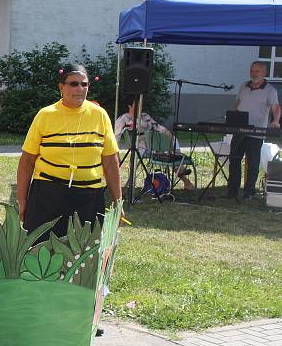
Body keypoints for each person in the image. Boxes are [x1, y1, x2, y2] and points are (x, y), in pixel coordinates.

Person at [17, 64, 121, 242]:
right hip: (48, 196)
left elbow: (110, 162)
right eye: (73, 84)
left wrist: (118, 201)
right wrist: (22, 200)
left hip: (89, 198)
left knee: (83, 256)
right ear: (61, 87)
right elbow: (27, 162)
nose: (80, 89)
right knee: (42, 253)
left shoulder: (100, 115)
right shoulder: (45, 115)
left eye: (84, 84)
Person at [227, 61, 282, 200]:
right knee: (234, 159)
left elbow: (276, 107)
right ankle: (232, 190)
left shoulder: (270, 90)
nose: (253, 73)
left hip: (256, 132)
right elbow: (237, 102)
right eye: (252, 70)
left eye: (257, 71)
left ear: (264, 73)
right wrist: (233, 117)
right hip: (239, 130)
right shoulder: (243, 86)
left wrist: (276, 120)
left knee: (252, 163)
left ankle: (249, 192)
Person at [114, 98, 195, 190]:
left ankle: (180, 167)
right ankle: (182, 172)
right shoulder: (124, 118)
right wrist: (116, 154)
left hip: (154, 143)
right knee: (164, 154)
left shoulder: (145, 116)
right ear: (129, 106)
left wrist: (167, 132)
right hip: (139, 146)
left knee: (172, 140)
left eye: (141, 104)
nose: (140, 106)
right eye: (137, 104)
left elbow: (157, 127)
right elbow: (116, 136)